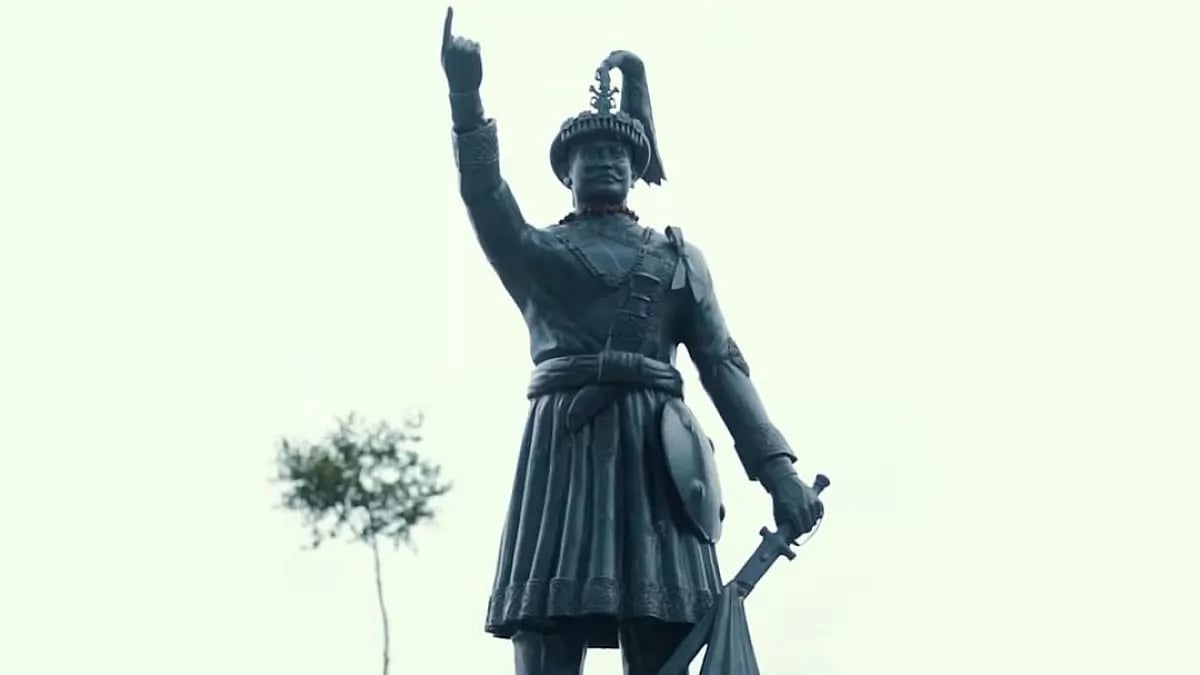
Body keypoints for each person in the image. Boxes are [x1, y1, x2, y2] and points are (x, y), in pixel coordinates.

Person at [439, 8, 823, 675]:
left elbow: (724, 364)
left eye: (619, 153)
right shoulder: (538, 255)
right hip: (565, 447)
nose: (608, 161)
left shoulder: (678, 258)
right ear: (568, 171)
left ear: (637, 166)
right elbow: (484, 196)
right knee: (546, 618)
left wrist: (779, 471)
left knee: (664, 621)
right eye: (592, 154)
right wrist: (466, 99)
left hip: (657, 453)